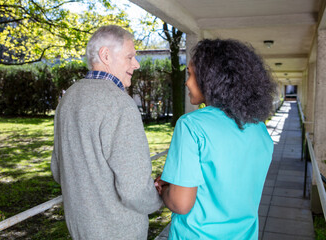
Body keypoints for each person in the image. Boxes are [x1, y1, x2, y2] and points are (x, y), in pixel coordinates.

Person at [155, 39, 276, 239]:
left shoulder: (191, 125)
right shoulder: (259, 129)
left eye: (191, 75)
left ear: (210, 79)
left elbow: (181, 204)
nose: (187, 82)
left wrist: (165, 189)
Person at [51, 25, 163, 240]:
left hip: (79, 229)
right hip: (120, 232)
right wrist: (160, 197)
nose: (136, 64)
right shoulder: (120, 104)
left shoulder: (68, 98)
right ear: (105, 55)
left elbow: (58, 171)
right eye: (130, 57)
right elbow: (134, 191)